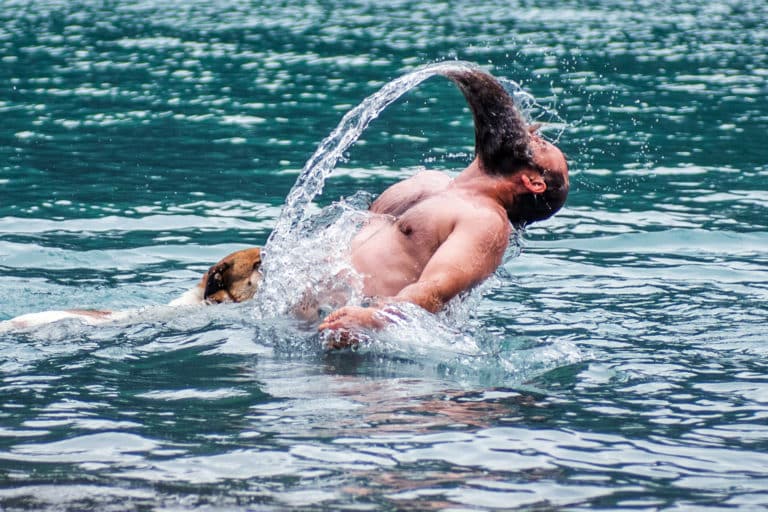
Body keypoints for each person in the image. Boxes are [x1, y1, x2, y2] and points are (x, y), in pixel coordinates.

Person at [318, 68, 569, 339]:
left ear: (533, 182)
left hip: (349, 346)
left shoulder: (486, 222)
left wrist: (373, 319)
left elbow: (434, 289)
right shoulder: (430, 181)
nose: (531, 135)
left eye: (542, 146)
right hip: (301, 322)